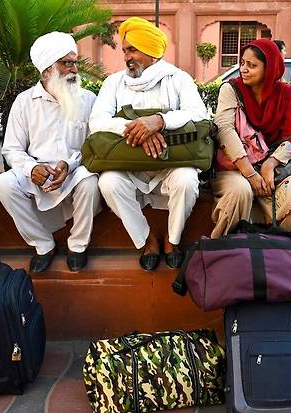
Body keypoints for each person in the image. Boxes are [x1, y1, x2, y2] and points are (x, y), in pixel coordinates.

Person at [89, 17, 208, 272]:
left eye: (132, 49)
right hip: (129, 164)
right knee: (108, 183)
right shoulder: (114, 83)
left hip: (171, 163)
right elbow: (97, 121)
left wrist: (160, 121)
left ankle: (173, 241)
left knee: (187, 181)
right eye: (124, 50)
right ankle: (146, 240)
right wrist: (136, 129)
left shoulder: (178, 79)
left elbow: (199, 115)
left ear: (152, 51)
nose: (126, 57)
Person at [0, 32, 100, 273]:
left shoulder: (88, 100)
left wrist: (70, 165)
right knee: (4, 184)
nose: (74, 69)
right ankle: (43, 245)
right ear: (46, 71)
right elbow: (11, 148)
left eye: (75, 62)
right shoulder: (24, 102)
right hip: (37, 172)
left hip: (74, 171)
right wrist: (31, 168)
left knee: (90, 183)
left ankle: (78, 245)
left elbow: (94, 146)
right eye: (67, 63)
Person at [211, 38, 291, 237]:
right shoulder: (231, 89)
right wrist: (250, 174)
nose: (243, 69)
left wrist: (270, 164)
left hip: (275, 168)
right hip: (236, 168)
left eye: (252, 65)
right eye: (242, 63)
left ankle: (276, 250)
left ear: (270, 68)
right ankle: (224, 251)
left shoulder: (288, 94)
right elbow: (224, 129)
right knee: (240, 191)